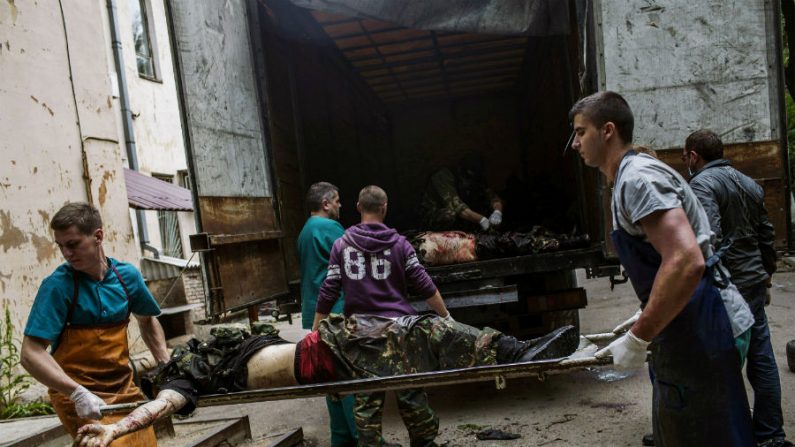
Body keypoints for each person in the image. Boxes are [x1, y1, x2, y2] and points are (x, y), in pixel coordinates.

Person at [74, 315, 579, 447]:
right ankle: (516, 351)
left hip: (326, 347)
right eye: (142, 369)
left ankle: (515, 349)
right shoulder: (184, 379)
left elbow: (152, 335)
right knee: (420, 332)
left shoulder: (195, 353)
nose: (146, 363)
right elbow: (157, 408)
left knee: (418, 335)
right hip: (325, 358)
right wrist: (115, 428)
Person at [569, 92, 753, 446]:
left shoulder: (638, 179)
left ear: (607, 130)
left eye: (580, 132)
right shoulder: (626, 177)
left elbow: (686, 260)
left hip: (703, 324)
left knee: (711, 433)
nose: (575, 143)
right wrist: (645, 314)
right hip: (684, 321)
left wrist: (639, 336)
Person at [19, 202, 170, 446]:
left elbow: (147, 320)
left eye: (73, 244)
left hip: (124, 390)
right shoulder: (58, 286)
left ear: (98, 236)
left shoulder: (127, 277)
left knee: (145, 442)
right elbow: (30, 353)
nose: (66, 253)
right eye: (61, 246)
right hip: (78, 396)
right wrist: (76, 393)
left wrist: (166, 365)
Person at [313, 185, 451, 447]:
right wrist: (445, 316)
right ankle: (423, 443)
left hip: (361, 333)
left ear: (358, 208)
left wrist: (315, 327)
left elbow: (329, 290)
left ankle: (371, 444)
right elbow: (423, 284)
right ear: (385, 208)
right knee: (411, 392)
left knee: (367, 398)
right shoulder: (400, 245)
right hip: (400, 330)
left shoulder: (341, 246)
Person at [684, 129, 791, 447]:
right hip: (753, 281)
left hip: (726, 286)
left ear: (693, 156)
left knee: (718, 362)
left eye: (685, 157)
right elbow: (766, 232)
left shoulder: (701, 183)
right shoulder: (747, 182)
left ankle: (724, 435)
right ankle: (771, 435)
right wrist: (766, 272)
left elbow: (709, 235)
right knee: (762, 358)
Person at [297, 182, 358, 447]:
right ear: (325, 204)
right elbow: (352, 262)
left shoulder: (305, 231)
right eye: (337, 200)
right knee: (350, 376)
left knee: (329, 375)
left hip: (316, 313)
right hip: (337, 311)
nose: (340, 205)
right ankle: (361, 437)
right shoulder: (330, 229)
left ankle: (341, 439)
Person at [419, 153, 504, 232]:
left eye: (473, 178)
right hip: (435, 214)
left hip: (463, 214)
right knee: (449, 215)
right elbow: (457, 206)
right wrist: (482, 219)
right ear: (460, 169)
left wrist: (497, 212)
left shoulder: (477, 179)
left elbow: (493, 197)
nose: (469, 182)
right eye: (467, 177)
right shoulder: (443, 176)